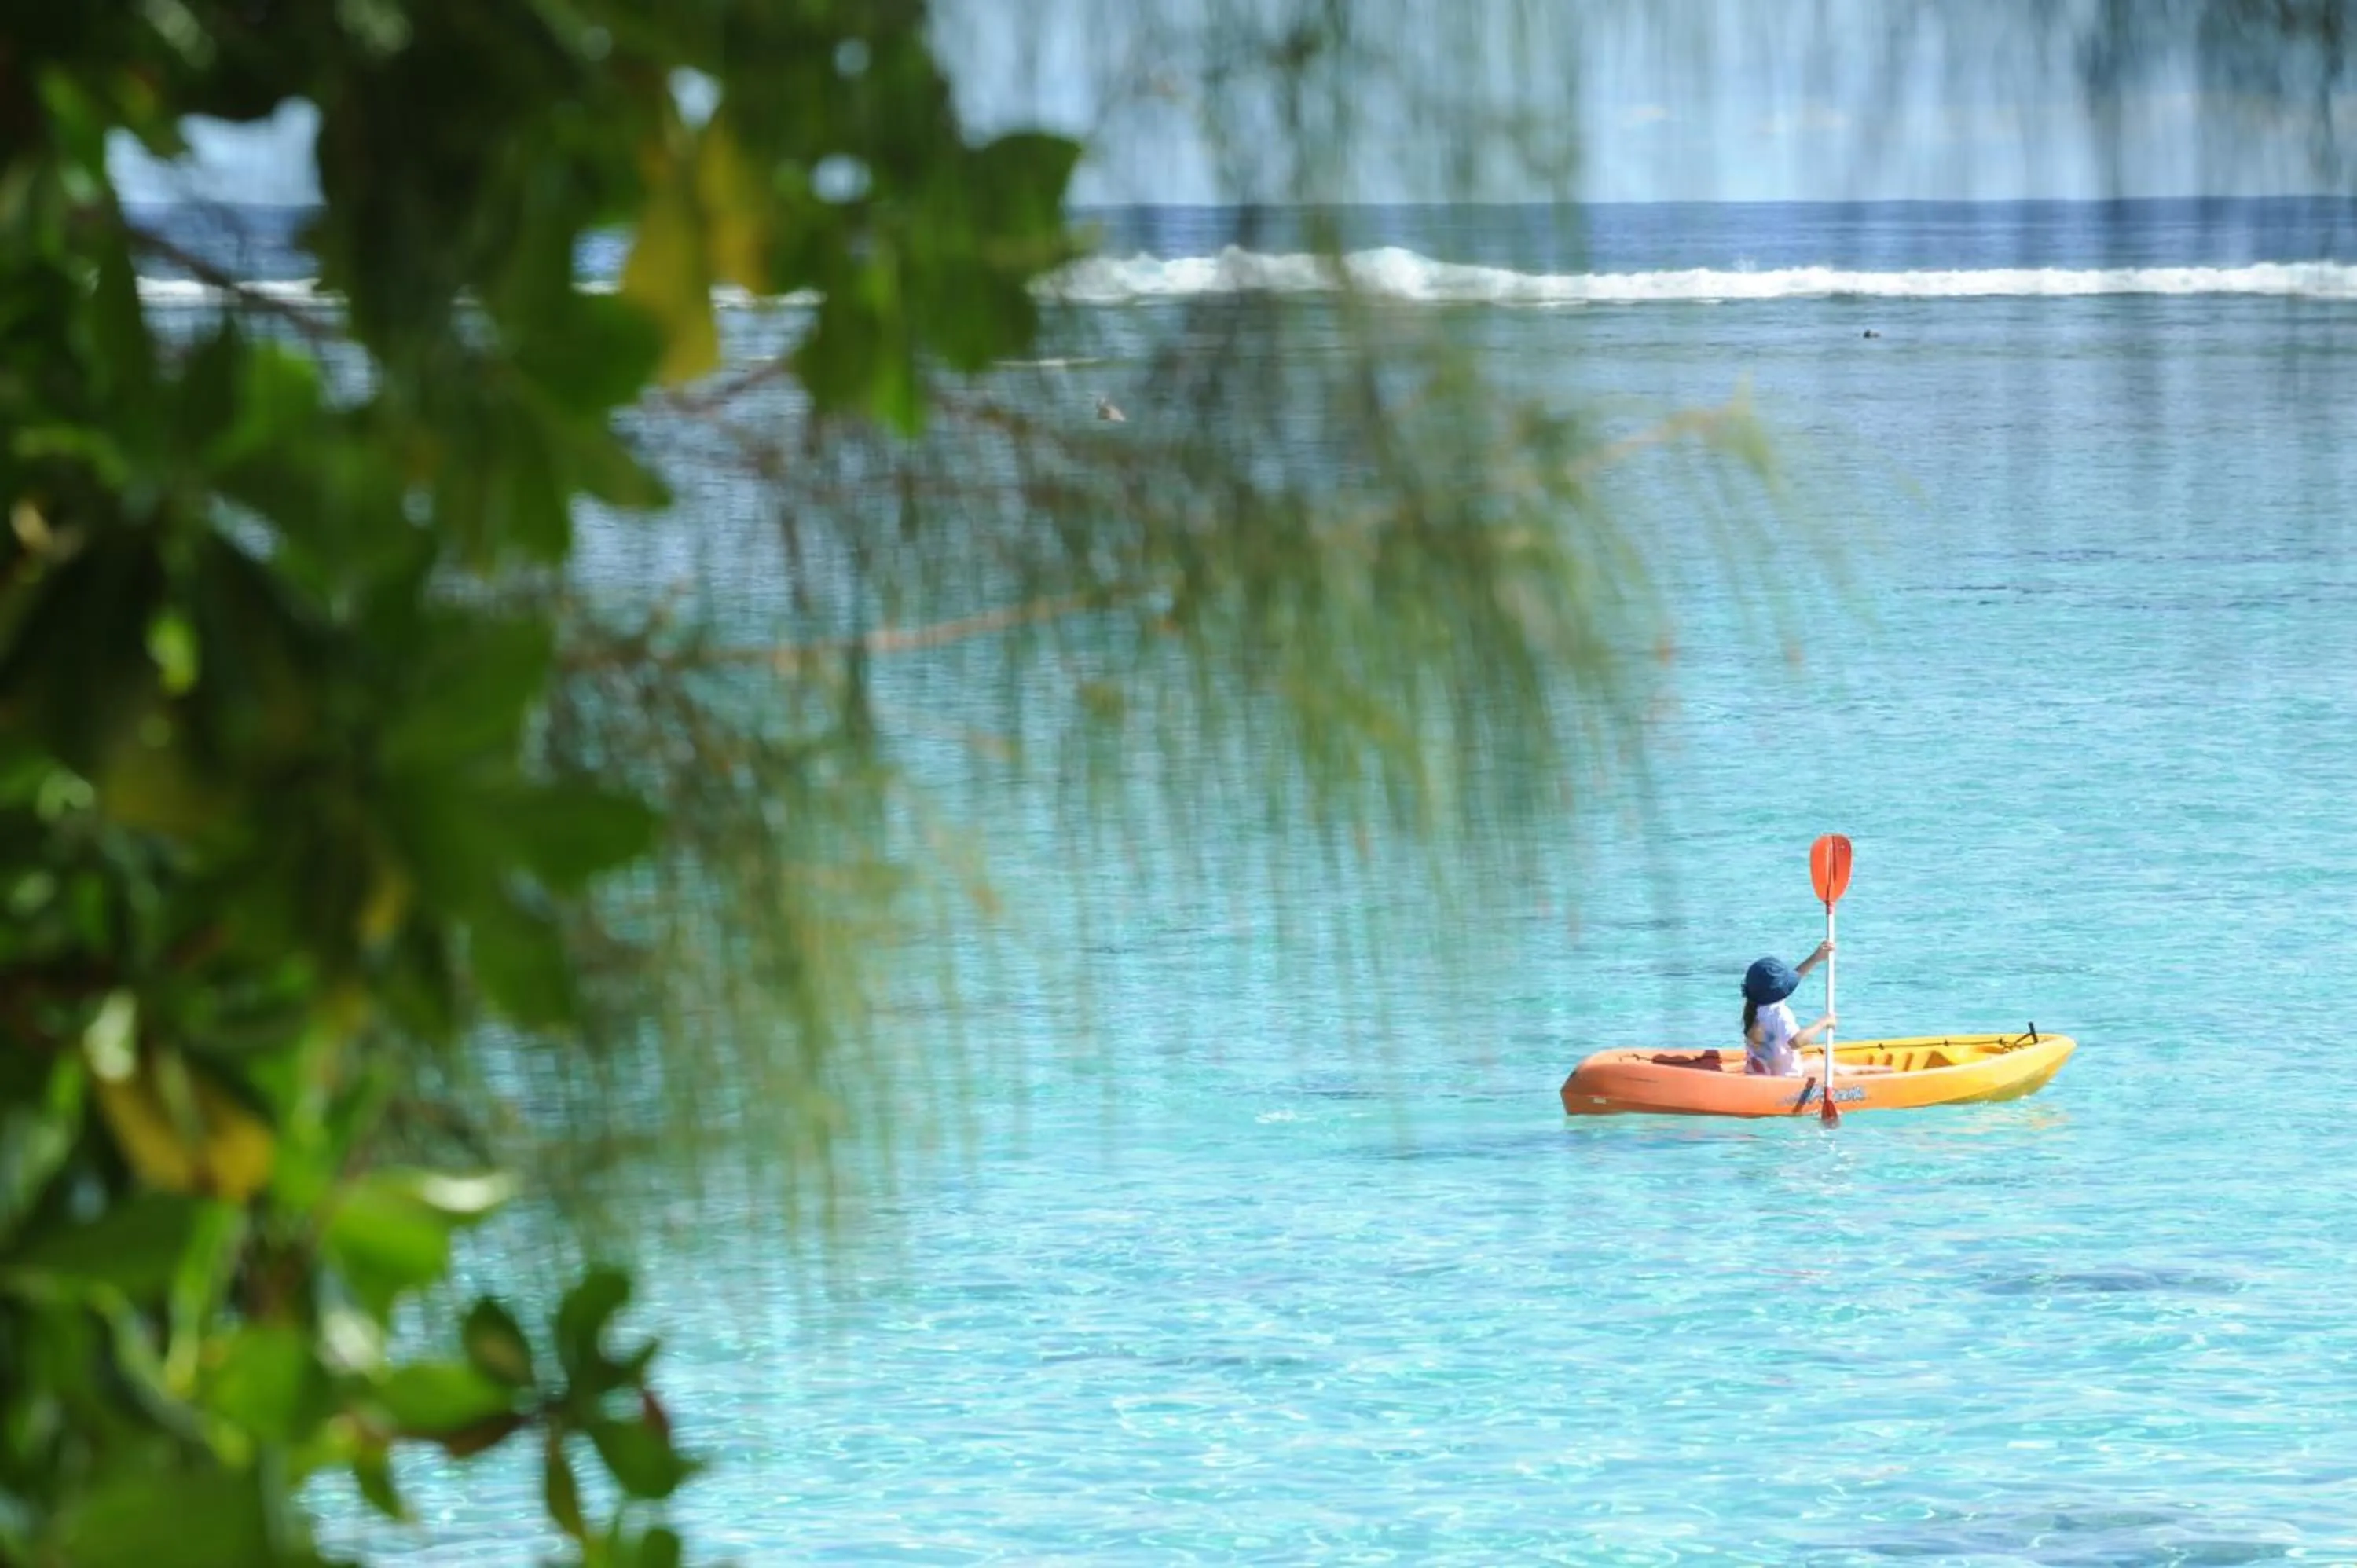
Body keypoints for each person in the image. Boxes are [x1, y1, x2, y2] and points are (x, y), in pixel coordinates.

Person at [1742, 942, 1836, 1076]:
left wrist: (1816, 957)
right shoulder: (1780, 1013)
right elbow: (1796, 1041)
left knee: (1819, 1064)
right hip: (1785, 1081)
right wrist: (1824, 1022)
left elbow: (1794, 978)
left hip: (1762, 1076)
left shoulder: (1754, 1008)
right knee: (1841, 1071)